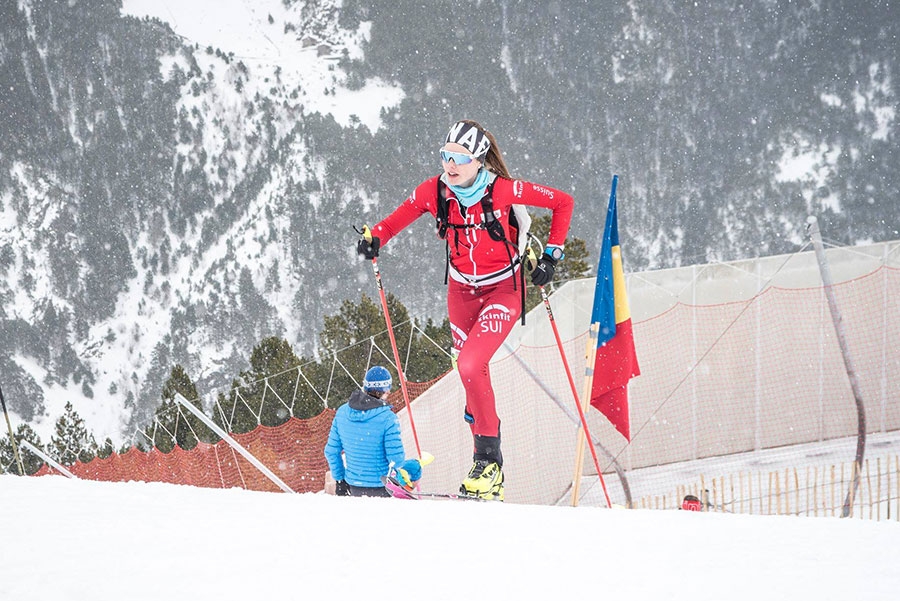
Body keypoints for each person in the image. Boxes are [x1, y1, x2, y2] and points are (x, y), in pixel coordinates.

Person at [356, 120, 574, 500]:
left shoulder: (504, 190)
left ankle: (490, 463)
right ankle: (482, 469)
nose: (450, 165)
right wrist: (374, 238)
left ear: (479, 160)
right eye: (445, 156)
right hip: (460, 292)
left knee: (473, 364)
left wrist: (553, 254)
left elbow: (562, 202)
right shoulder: (434, 192)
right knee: (467, 370)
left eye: (459, 158)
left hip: (503, 290)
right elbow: (393, 222)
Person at [324, 365, 423, 497]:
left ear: (365, 387)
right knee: (415, 468)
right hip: (382, 488)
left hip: (353, 487)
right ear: (386, 390)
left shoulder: (342, 413)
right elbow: (396, 459)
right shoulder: (388, 418)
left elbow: (331, 451)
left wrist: (340, 480)